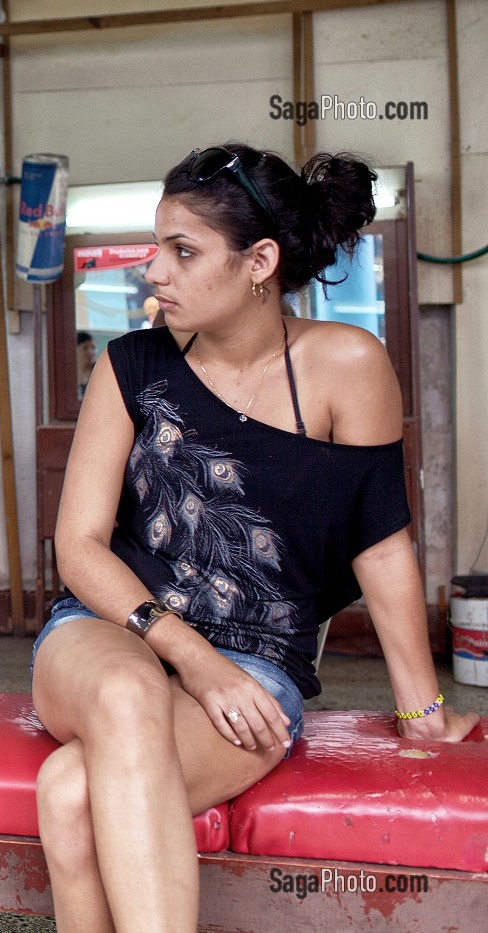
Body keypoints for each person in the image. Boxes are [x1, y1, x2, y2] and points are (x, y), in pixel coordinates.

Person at [32, 143, 478, 933]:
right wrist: (196, 663)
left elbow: (380, 545)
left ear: (259, 261)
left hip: (258, 661)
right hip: (111, 633)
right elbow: (80, 547)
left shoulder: (347, 365)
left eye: (183, 251)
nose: (154, 272)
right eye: (155, 248)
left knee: (70, 791)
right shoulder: (131, 364)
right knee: (130, 692)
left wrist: (423, 708)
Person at [75, 330, 97, 399]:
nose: (91, 352)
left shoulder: (100, 373)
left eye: (93, 347)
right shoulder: (67, 377)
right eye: (85, 348)